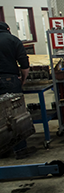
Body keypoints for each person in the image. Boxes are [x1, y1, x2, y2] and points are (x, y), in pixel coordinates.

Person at [0, 21, 32, 157]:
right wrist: (23, 80)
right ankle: (20, 150)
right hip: (9, 79)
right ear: (8, 28)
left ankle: (3, 150)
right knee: (15, 113)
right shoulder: (12, 39)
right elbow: (24, 63)